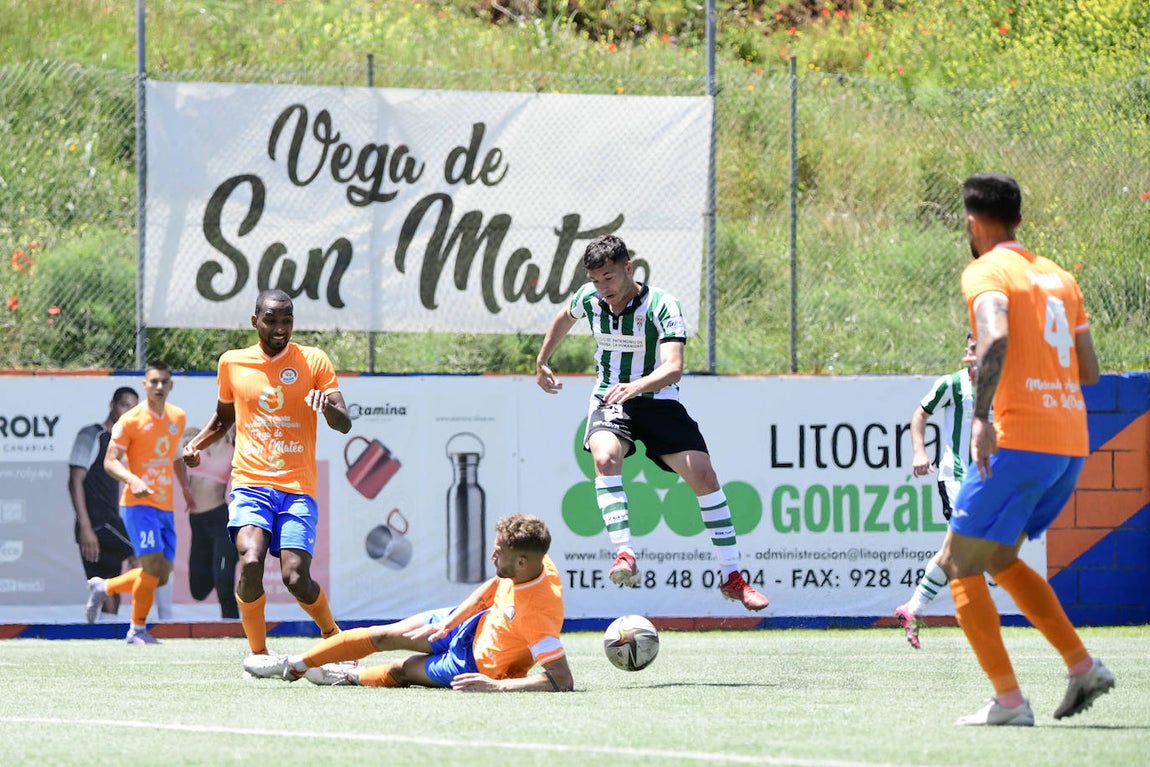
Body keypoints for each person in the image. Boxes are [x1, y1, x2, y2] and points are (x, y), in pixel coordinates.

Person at [940, 172, 1113, 726]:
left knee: (956, 564)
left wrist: (981, 414)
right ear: (1018, 217)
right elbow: (1088, 370)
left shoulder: (986, 269)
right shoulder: (1058, 276)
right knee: (1000, 558)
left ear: (973, 222)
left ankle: (1009, 701)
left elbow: (995, 336)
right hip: (1070, 443)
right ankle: (1081, 665)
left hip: (1017, 439)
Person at [535, 233, 769, 611]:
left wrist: (636, 386)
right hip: (612, 397)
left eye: (609, 277)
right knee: (604, 457)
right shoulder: (589, 299)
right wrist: (542, 359)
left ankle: (732, 577)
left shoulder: (663, 305)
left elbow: (673, 369)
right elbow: (564, 316)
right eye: (596, 280)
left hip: (657, 398)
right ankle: (624, 554)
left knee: (704, 476)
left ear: (629, 268)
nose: (603, 288)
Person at [182, 289, 352, 676]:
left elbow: (344, 422)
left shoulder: (314, 360)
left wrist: (327, 407)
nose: (280, 328)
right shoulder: (232, 363)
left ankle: (334, 638)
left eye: (287, 320)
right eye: (272, 320)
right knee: (252, 559)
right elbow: (224, 418)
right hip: (250, 483)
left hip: (297, 488)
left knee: (295, 577)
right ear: (254, 320)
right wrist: (196, 445)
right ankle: (258, 655)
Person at [273, 514, 572, 692]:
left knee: (402, 668)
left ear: (521, 562)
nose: (492, 555)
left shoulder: (539, 613)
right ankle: (294, 665)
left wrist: (497, 686)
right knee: (383, 634)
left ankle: (350, 676)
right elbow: (493, 586)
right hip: (467, 624)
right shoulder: (536, 562)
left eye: (498, 552)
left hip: (473, 665)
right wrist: (451, 621)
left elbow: (562, 679)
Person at [86, 362, 192, 644]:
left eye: (164, 382)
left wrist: (186, 488)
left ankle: (104, 587)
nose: (159, 387)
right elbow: (110, 462)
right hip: (137, 505)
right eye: (153, 381)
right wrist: (132, 479)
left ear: (171, 386)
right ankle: (137, 629)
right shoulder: (129, 421)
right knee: (151, 567)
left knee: (159, 575)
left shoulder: (177, 417)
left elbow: (176, 456)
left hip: (166, 507)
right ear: (145, 385)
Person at [895, 334, 977, 649]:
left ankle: (912, 608)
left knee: (956, 549)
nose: (974, 354)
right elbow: (920, 415)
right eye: (971, 348)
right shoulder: (952, 384)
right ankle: (970, 617)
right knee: (966, 545)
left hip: (985, 481)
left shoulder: (1002, 385)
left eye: (981, 348)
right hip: (955, 475)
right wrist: (919, 452)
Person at [72, 385, 139, 622]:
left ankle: (106, 640)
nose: (127, 412)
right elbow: (75, 481)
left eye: (133, 409)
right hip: (98, 524)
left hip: (108, 522)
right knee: (148, 557)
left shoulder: (121, 443)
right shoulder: (92, 435)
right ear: (112, 405)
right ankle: (160, 623)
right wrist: (86, 528)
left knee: (108, 590)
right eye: (124, 405)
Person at [183, 425, 239, 619]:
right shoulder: (198, 437)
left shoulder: (237, 448)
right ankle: (221, 566)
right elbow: (177, 449)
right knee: (198, 590)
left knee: (224, 582)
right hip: (197, 522)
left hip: (220, 521)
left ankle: (232, 627)